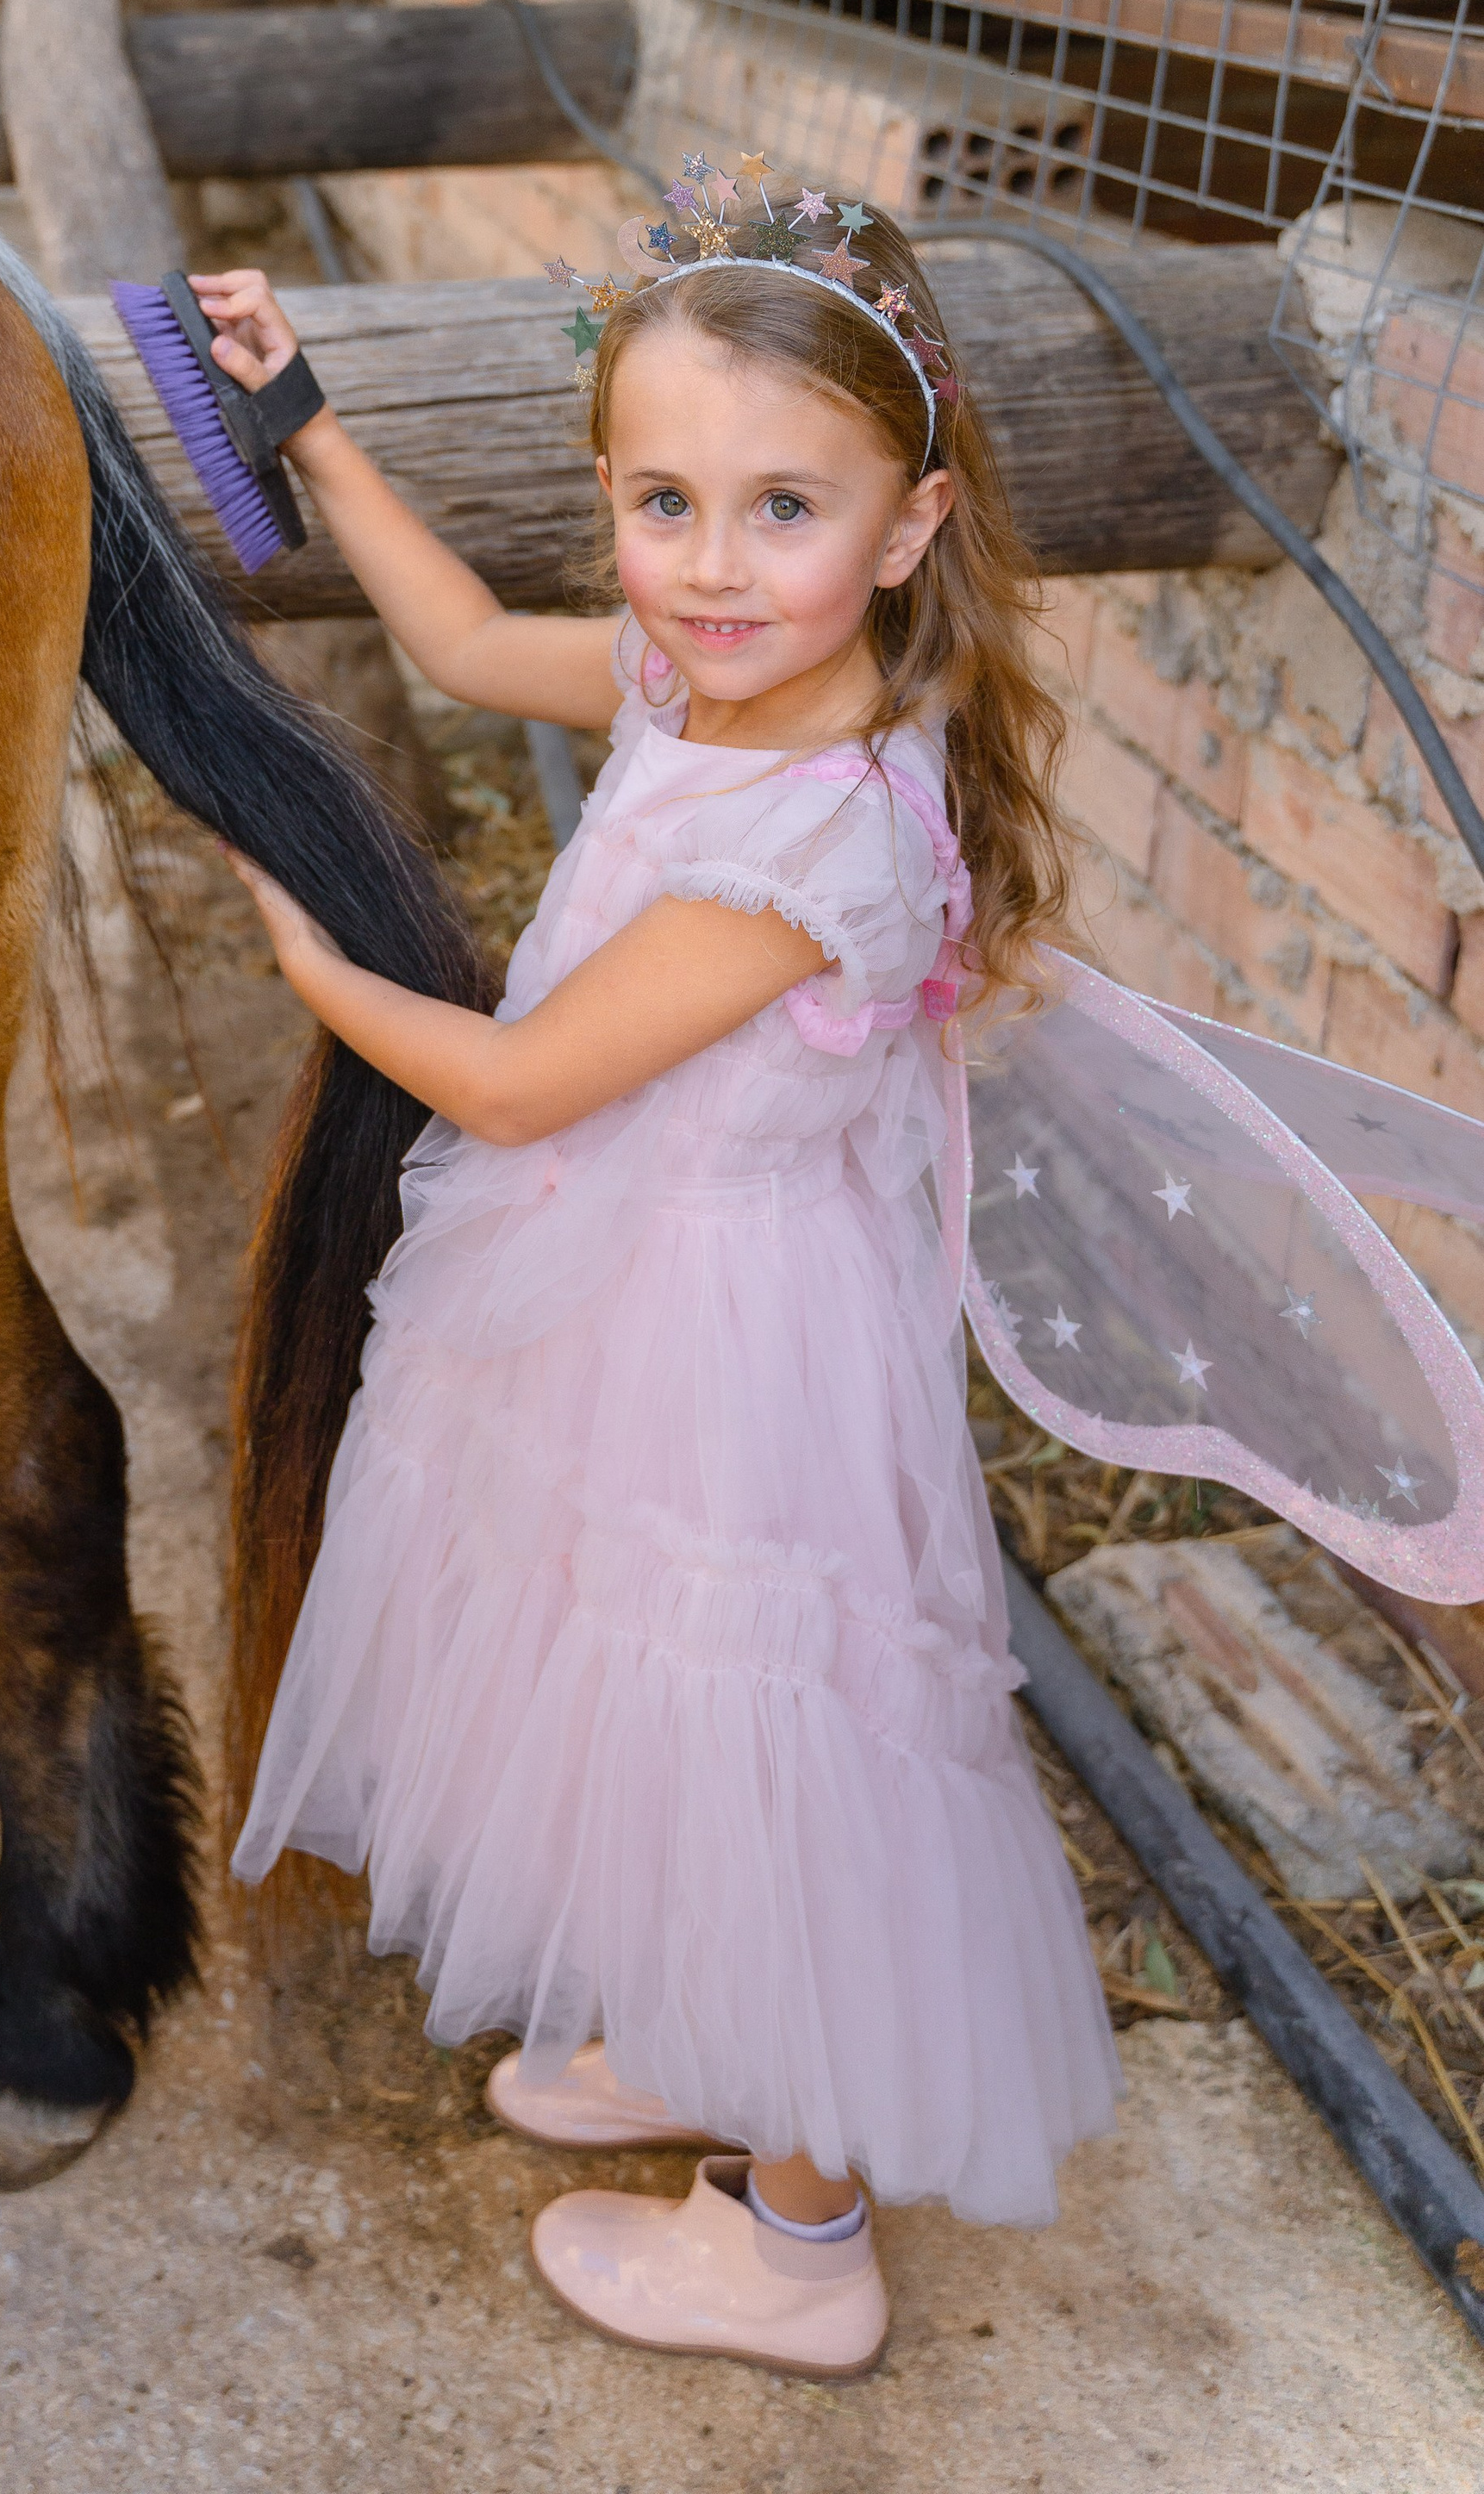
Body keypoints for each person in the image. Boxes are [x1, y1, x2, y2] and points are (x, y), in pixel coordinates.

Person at [197, 165, 1119, 2380]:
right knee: (611, 1670)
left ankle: (794, 2239)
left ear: (902, 528)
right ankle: (697, 2023)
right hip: (623, 1295)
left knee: (768, 1741)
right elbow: (451, 644)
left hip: (735, 1340)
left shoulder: (815, 829)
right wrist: (312, 430)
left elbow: (514, 1087)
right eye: (661, 499)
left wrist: (318, 964)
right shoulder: (697, 678)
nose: (709, 566)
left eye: (780, 508)